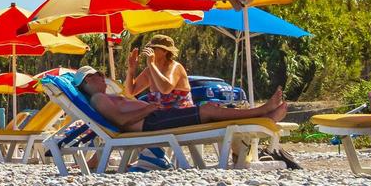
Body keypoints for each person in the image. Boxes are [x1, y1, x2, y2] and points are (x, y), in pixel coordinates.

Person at [74, 65, 287, 132]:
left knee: (209, 112)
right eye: (98, 75)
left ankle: (263, 116)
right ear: (87, 81)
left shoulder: (104, 97)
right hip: (151, 122)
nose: (103, 78)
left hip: (154, 117)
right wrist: (147, 109)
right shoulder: (98, 100)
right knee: (208, 111)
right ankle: (261, 113)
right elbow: (120, 120)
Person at [125, 34, 193, 109]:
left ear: (165, 51)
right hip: (159, 117)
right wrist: (131, 70)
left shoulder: (176, 67)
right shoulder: (150, 70)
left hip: (181, 115)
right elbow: (130, 93)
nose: (149, 51)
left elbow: (165, 89)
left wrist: (151, 64)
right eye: (149, 48)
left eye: (153, 48)